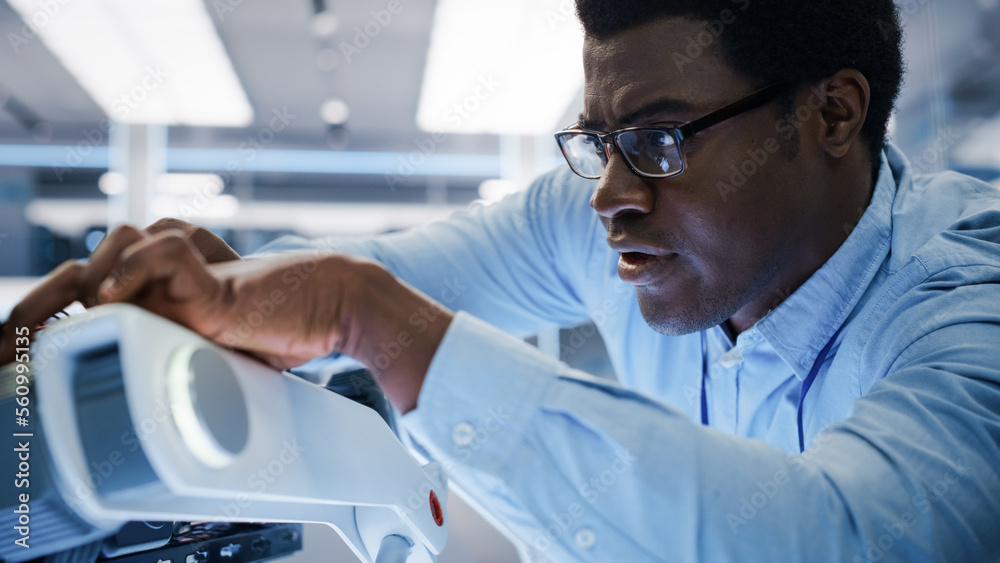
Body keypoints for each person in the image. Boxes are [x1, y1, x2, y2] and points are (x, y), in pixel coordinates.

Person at [2, 0, 999, 560]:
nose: (610, 192)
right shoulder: (608, 222)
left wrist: (370, 318)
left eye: (655, 137)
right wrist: (212, 294)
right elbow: (388, 275)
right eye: (598, 140)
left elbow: (843, 539)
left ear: (830, 116)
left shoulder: (968, 309)